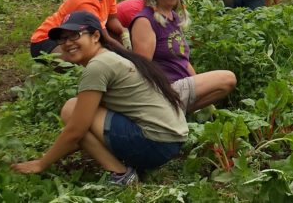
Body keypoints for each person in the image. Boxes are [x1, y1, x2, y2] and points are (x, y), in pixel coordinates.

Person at [12, 11, 187, 184]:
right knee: (80, 111)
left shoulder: (98, 66)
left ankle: (121, 174)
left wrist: (41, 164)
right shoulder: (109, 58)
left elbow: (76, 131)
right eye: (63, 39)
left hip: (155, 143)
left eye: (74, 36)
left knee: (70, 110)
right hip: (170, 140)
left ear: (96, 36)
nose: (67, 43)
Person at [130, 0, 236, 113]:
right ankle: (168, 112)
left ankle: (179, 114)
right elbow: (143, 70)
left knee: (217, 91)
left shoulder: (172, 16)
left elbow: (183, 61)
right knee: (228, 79)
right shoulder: (145, 21)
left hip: (180, 86)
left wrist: (202, 91)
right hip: (165, 90)